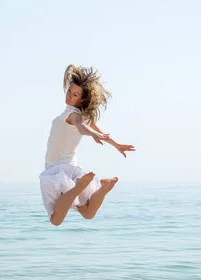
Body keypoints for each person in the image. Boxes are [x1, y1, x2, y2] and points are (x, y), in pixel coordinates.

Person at [39, 64, 135, 226]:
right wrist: (116, 145)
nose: (69, 96)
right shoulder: (84, 116)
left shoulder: (73, 115)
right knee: (88, 213)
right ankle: (103, 188)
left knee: (55, 220)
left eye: (75, 94)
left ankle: (78, 187)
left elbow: (82, 128)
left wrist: (93, 134)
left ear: (82, 99)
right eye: (69, 91)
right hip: (73, 168)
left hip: (55, 169)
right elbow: (96, 130)